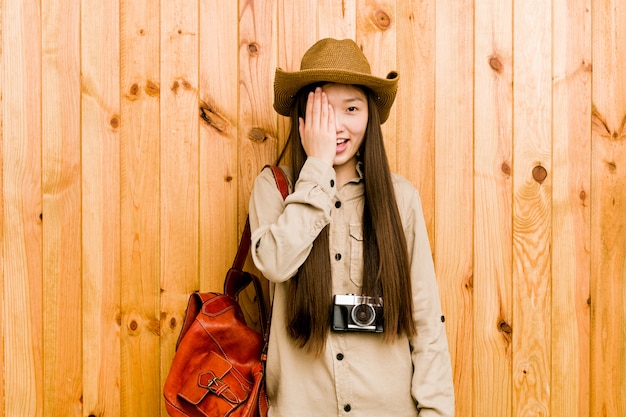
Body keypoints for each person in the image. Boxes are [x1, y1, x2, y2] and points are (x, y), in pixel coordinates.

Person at [248, 38, 454, 417]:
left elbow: (426, 320)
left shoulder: (400, 199)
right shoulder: (275, 188)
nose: (337, 125)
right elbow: (275, 262)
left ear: (369, 117)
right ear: (302, 118)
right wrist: (318, 168)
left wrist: (435, 410)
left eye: (351, 109)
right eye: (323, 109)